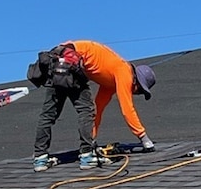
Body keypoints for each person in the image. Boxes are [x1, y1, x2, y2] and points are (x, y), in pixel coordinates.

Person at [32, 40, 156, 172]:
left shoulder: (109, 82)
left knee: (49, 115)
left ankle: (40, 158)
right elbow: (127, 109)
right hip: (70, 63)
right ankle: (87, 156)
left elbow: (98, 110)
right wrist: (144, 139)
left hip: (56, 62)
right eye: (139, 91)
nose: (135, 93)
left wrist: (93, 138)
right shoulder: (124, 71)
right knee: (86, 111)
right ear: (137, 81)